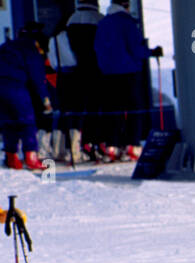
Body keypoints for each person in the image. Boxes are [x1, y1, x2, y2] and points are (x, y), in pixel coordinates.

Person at [94, 0, 162, 160]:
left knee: (113, 109)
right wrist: (151, 52)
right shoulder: (127, 22)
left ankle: (112, 146)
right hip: (128, 71)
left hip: (107, 73)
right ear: (126, 5)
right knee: (133, 109)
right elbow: (136, 49)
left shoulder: (103, 23)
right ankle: (132, 145)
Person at [52, 1, 104, 164]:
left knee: (67, 112)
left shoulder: (66, 26)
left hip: (68, 75)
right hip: (91, 72)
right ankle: (86, 146)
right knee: (89, 110)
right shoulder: (98, 19)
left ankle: (61, 149)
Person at [0, 23, 52, 171]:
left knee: (8, 122)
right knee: (27, 121)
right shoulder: (30, 49)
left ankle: (11, 157)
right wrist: (45, 99)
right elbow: (37, 77)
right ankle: (31, 158)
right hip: (16, 86)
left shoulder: (5, 46)